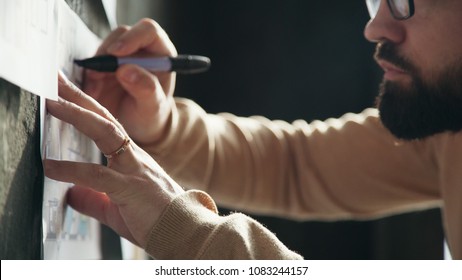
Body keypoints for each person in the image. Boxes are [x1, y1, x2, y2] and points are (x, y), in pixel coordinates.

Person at [44, 0, 462, 259]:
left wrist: (190, 236)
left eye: (406, 2)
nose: (375, 29)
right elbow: (295, 166)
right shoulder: (448, 124)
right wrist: (163, 127)